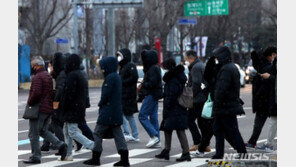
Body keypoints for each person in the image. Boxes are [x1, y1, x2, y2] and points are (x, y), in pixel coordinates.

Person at [84, 57, 130, 166]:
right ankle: (124, 159)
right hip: (115, 111)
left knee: (97, 133)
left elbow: (106, 94)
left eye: (103, 67)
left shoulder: (110, 77)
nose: (102, 69)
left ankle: (96, 158)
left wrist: (100, 104)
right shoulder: (116, 76)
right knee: (118, 135)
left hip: (108, 111)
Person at [23, 56, 67, 164]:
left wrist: (30, 101)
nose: (32, 68)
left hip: (38, 109)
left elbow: (36, 93)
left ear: (36, 66)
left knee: (33, 134)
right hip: (47, 108)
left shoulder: (38, 77)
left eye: (32, 66)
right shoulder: (47, 75)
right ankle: (60, 145)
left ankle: (36, 156)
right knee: (43, 131)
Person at [211, 46, 247, 159]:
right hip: (227, 105)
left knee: (231, 131)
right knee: (219, 130)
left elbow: (222, 88)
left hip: (225, 106)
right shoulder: (230, 67)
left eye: (217, 57)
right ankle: (219, 153)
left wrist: (216, 101)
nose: (216, 60)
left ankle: (242, 153)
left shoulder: (226, 69)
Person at [59, 54, 95, 161]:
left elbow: (69, 94)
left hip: (72, 108)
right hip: (77, 107)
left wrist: (63, 105)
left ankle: (93, 146)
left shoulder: (72, 75)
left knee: (72, 131)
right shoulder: (80, 74)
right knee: (66, 131)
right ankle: (68, 154)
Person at [155, 59, 191, 162]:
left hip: (174, 108)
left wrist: (168, 104)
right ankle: (167, 150)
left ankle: (186, 153)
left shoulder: (172, 78)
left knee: (179, 130)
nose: (164, 69)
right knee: (168, 128)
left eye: (164, 67)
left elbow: (172, 94)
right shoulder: (177, 76)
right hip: (177, 107)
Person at [246, 46, 277, 149]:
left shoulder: (261, 66)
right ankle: (255, 142)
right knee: (266, 121)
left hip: (262, 98)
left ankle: (255, 142)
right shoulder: (268, 67)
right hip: (266, 98)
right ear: (272, 55)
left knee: (261, 122)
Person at [184, 50, 209, 152]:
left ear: (191, 58)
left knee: (189, 120)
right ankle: (205, 144)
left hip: (197, 99)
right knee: (201, 122)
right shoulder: (200, 65)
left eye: (186, 58)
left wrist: (190, 96)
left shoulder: (196, 67)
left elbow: (196, 84)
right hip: (202, 98)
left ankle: (198, 142)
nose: (185, 60)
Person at [138, 50, 163, 148]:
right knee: (153, 118)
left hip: (152, 94)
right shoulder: (155, 67)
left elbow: (152, 83)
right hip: (155, 94)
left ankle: (154, 136)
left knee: (142, 116)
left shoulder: (152, 69)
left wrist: (143, 84)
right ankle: (157, 140)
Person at [116, 48, 140, 142]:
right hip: (124, 94)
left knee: (128, 115)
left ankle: (130, 134)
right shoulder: (122, 67)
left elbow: (134, 77)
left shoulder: (130, 65)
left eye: (119, 56)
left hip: (129, 95)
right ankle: (133, 135)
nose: (118, 58)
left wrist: (122, 82)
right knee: (127, 115)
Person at [74, 64, 95, 152]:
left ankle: (91, 139)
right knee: (80, 123)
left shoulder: (79, 74)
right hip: (82, 101)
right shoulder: (81, 72)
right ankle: (87, 140)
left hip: (79, 102)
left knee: (80, 123)